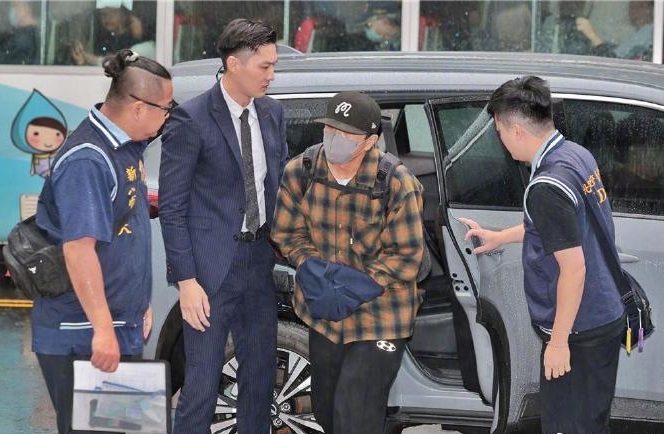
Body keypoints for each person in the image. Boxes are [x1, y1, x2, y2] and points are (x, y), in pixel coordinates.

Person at [461, 76, 625, 434]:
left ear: (517, 131)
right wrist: (500, 237)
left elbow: (574, 269)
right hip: (599, 317)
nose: (501, 141)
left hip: (579, 331)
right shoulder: (574, 154)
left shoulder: (547, 186)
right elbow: (559, 230)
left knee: (567, 426)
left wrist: (559, 342)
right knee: (589, 423)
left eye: (500, 132)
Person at [33, 48, 173, 434]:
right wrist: (104, 330)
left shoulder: (125, 147)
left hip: (114, 324)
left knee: (123, 428)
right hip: (83, 334)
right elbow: (79, 251)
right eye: (166, 109)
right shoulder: (88, 160)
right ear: (139, 107)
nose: (167, 118)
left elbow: (125, 234)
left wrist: (138, 303)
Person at [158, 18, 288, 434]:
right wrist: (186, 281)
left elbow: (277, 185)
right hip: (209, 270)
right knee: (201, 383)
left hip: (258, 260)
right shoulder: (191, 119)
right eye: (264, 66)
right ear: (234, 64)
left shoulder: (272, 113)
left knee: (260, 380)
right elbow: (172, 208)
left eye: (273, 65)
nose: (271, 75)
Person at [272, 91, 425, 434]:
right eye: (330, 129)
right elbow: (286, 232)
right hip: (324, 314)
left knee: (355, 412)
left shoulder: (396, 182)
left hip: (380, 316)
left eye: (346, 134)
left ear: (370, 141)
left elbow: (406, 255)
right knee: (327, 411)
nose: (334, 138)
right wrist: (315, 270)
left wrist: (352, 286)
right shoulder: (302, 171)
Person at [0, 0, 40, 65]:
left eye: (16, 6)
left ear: (26, 8)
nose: (13, 10)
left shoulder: (24, 38)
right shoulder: (31, 33)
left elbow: (6, 61)